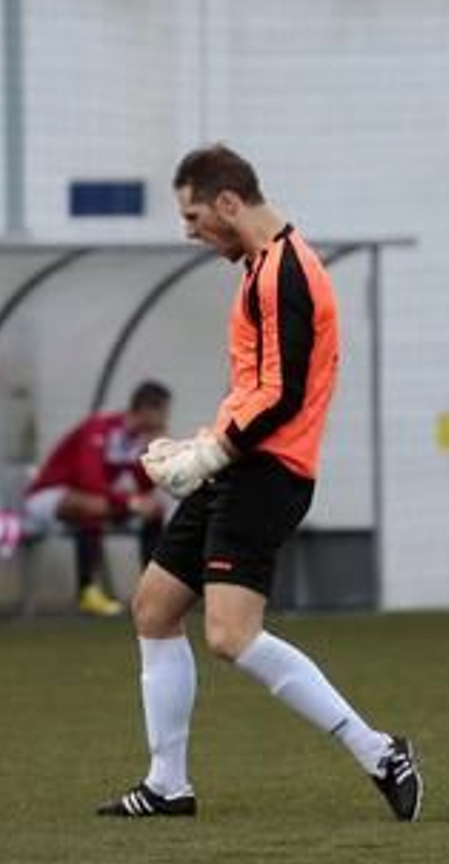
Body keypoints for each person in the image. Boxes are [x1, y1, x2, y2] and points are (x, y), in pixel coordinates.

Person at [97, 144, 421, 821]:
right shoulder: (261, 268)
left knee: (230, 636)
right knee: (154, 606)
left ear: (227, 203)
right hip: (239, 464)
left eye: (192, 217)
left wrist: (211, 454)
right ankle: (167, 786)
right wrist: (203, 444)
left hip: (267, 474)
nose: (189, 232)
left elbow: (285, 394)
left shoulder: (287, 274)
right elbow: (257, 388)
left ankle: (380, 751)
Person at [24, 381, 173, 617]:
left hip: (95, 500)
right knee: (94, 505)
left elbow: (144, 486)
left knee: (154, 508)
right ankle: (87, 591)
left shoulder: (138, 439)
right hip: (48, 496)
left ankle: (152, 591)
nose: (165, 420)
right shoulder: (100, 428)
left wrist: (152, 453)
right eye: (163, 412)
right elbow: (89, 481)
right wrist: (131, 502)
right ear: (146, 410)